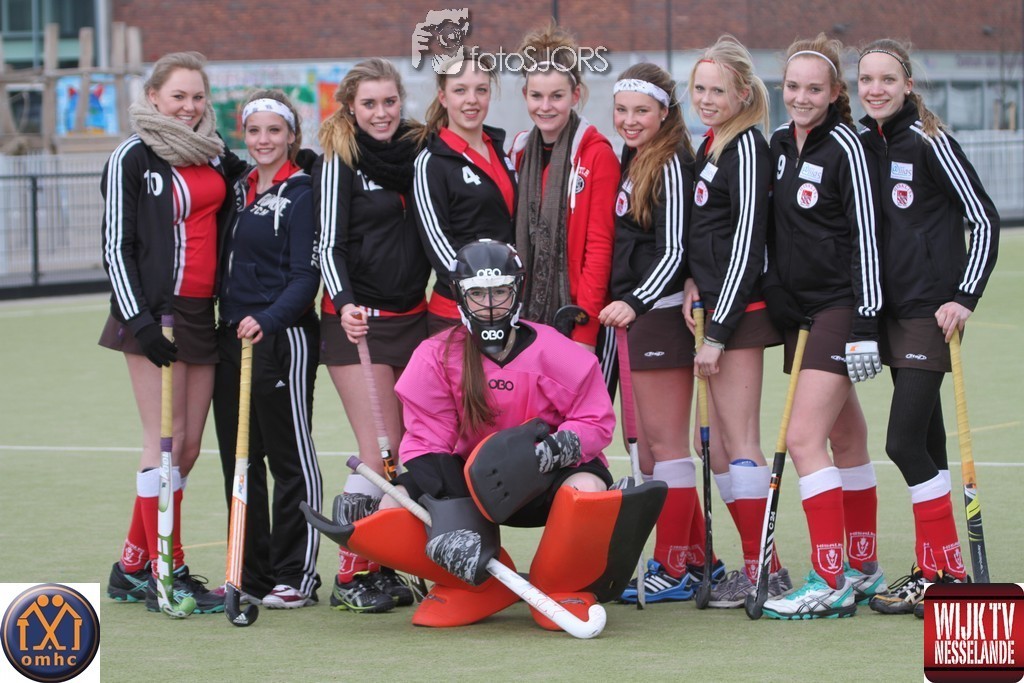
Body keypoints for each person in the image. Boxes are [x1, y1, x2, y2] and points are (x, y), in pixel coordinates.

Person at [308, 239, 664, 630]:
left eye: (499, 291)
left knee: (588, 489)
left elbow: (595, 421)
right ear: (460, 295)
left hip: (546, 480)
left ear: (517, 291)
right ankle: (477, 586)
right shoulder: (435, 355)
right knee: (394, 506)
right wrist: (453, 520)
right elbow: (427, 444)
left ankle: (560, 587)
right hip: (471, 485)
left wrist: (556, 448)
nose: (490, 304)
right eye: (477, 293)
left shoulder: (558, 352)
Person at [856, 39, 999, 616]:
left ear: (908, 85)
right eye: (867, 79)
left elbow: (983, 218)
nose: (876, 89)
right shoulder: (864, 143)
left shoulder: (931, 141)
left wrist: (964, 296)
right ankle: (933, 570)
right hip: (888, 313)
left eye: (887, 79)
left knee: (901, 442)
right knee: (928, 445)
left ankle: (948, 569)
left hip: (928, 313)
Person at [101, 51, 244, 613]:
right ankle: (169, 570)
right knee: (163, 443)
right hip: (152, 315)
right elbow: (116, 247)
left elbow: (253, 175)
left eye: (197, 96)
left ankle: (132, 567)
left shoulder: (213, 152)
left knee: (186, 448)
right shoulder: (133, 156)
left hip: (200, 313)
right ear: (154, 97)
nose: (188, 106)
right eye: (178, 96)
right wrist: (138, 321)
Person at [757, 35, 886, 619]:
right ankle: (862, 567)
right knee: (846, 438)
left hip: (841, 308)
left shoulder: (848, 147)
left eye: (814, 88)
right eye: (793, 87)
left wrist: (865, 323)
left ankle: (829, 580)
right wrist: (775, 287)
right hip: (801, 312)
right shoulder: (780, 142)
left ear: (835, 93)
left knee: (803, 439)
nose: (801, 97)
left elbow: (867, 238)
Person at [314, 58, 430, 613]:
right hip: (359, 324)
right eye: (369, 104)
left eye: (389, 102)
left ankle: (383, 564)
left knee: (404, 452)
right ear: (350, 107)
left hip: (414, 318)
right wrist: (344, 304)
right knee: (377, 452)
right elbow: (327, 244)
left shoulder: (417, 152)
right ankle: (351, 573)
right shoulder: (340, 160)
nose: (381, 113)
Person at [683, 35, 792, 608]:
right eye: (699, 89)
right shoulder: (712, 143)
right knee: (717, 448)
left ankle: (765, 571)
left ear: (743, 94)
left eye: (718, 91)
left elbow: (748, 246)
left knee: (740, 441)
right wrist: (693, 282)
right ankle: (759, 564)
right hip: (714, 310)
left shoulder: (747, 148)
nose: (706, 99)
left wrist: (719, 333)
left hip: (739, 317)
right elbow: (709, 234)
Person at [596, 62, 709, 604]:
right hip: (637, 320)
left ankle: (673, 565)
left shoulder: (670, 163)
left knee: (665, 449)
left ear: (665, 112)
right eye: (622, 110)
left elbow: (673, 249)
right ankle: (700, 558)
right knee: (647, 453)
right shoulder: (635, 157)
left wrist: (635, 300)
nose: (629, 120)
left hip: (657, 315)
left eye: (641, 111)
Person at [211, 89, 323, 610]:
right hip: (232, 337)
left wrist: (272, 318)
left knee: (289, 458)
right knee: (241, 460)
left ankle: (296, 574)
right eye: (254, 130)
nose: (263, 140)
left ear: (291, 136)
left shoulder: (303, 193)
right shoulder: (239, 189)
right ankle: (250, 573)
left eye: (274, 130)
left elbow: (306, 276)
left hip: (283, 337)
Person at [508, 21, 617, 355]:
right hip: (527, 319)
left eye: (557, 96)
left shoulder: (597, 154)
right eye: (537, 96)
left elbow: (599, 248)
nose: (546, 107)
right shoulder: (519, 152)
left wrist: (586, 330)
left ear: (575, 95)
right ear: (525, 96)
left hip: (579, 319)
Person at [412, 54, 517, 332]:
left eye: (481, 90)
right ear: (443, 97)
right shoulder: (431, 161)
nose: (472, 100)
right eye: (460, 90)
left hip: (506, 304)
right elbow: (437, 242)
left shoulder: (499, 149)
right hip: (457, 310)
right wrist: (479, 292)